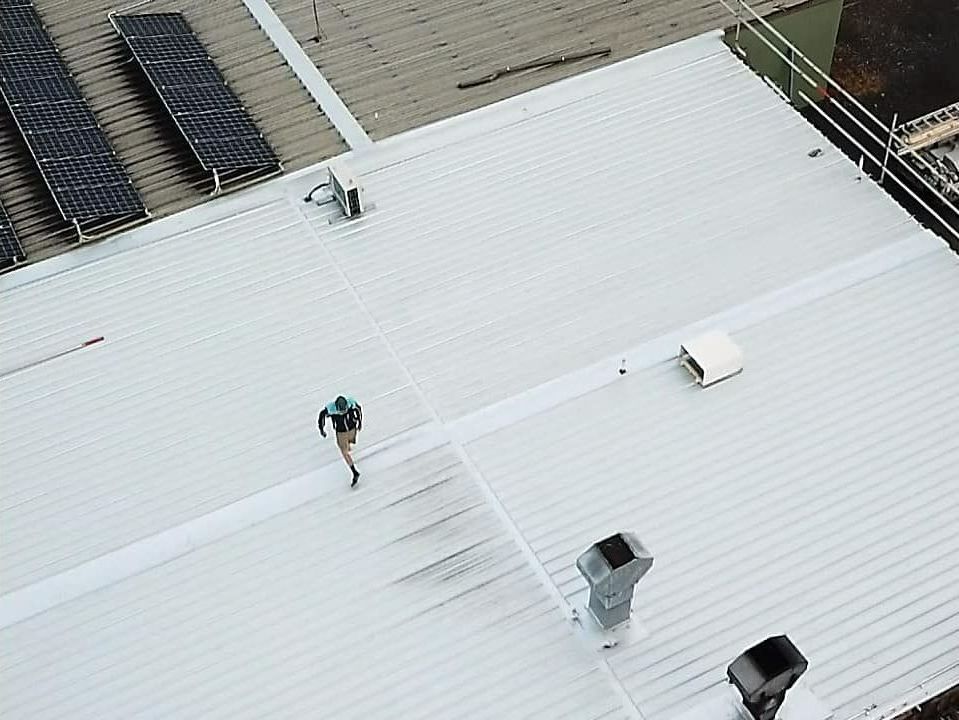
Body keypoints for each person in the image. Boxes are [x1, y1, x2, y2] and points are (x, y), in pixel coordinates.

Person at [318, 395, 363, 486]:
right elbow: (321, 416)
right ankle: (354, 471)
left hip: (350, 429)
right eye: (341, 411)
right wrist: (321, 429)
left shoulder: (351, 403)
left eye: (344, 411)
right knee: (344, 452)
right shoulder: (331, 408)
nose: (342, 412)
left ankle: (348, 448)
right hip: (344, 431)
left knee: (348, 446)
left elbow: (358, 409)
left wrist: (359, 422)